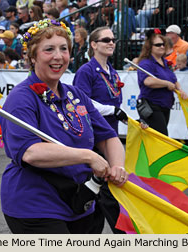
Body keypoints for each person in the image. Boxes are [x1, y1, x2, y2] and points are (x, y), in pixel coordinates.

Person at [0, 19, 128, 234]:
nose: (58, 56)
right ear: (32, 57)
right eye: (49, 49)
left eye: (64, 49)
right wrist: (88, 156)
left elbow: (108, 136)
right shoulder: (21, 98)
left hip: (81, 202)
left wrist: (117, 167)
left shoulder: (75, 94)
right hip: (35, 205)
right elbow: (30, 152)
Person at [73, 26, 128, 234]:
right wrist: (113, 110)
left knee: (102, 192)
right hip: (94, 137)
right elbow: (82, 102)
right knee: (107, 190)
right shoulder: (86, 71)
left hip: (109, 134)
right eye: (106, 40)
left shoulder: (111, 71)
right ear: (93, 45)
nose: (111, 42)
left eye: (113, 39)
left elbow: (114, 104)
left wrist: (127, 118)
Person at [137, 30, 188, 136]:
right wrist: (166, 83)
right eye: (158, 45)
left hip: (165, 105)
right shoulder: (145, 63)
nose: (162, 47)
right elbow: (148, 81)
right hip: (152, 105)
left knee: (158, 138)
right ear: (150, 47)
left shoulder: (165, 62)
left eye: (163, 44)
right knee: (161, 137)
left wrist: (180, 90)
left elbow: (173, 79)